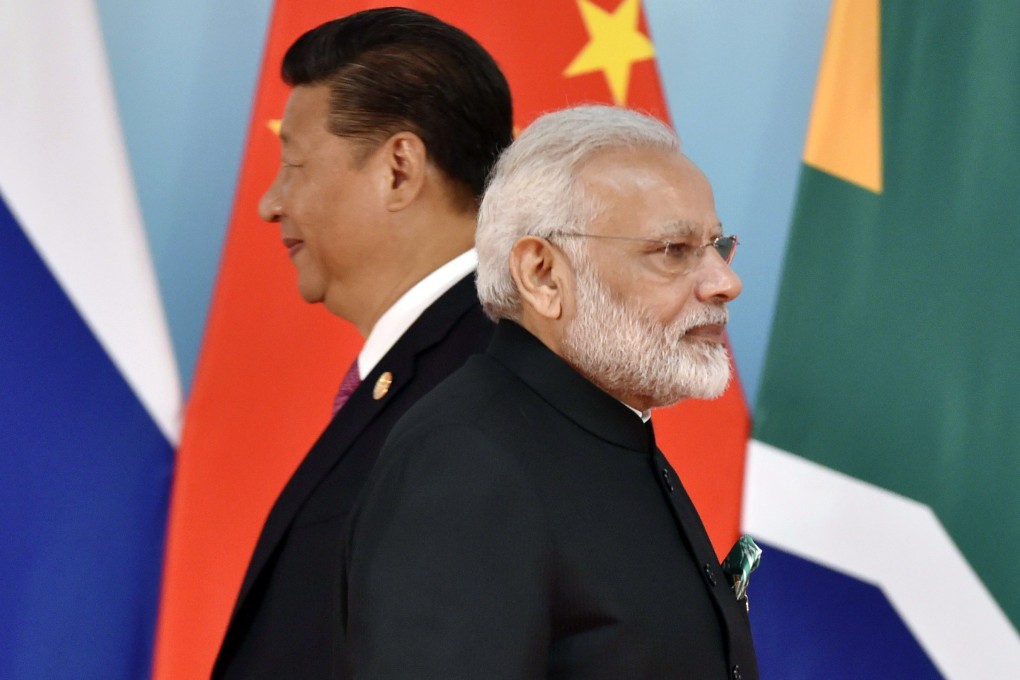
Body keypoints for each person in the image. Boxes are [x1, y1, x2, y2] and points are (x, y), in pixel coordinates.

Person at [343, 105, 759, 679]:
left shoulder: (605, 431)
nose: (725, 282)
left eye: (717, 244)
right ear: (541, 274)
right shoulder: (464, 463)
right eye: (673, 250)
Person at [211, 8, 513, 679]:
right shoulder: (453, 368)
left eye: (293, 164)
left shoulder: (481, 396)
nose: (270, 202)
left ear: (400, 169)